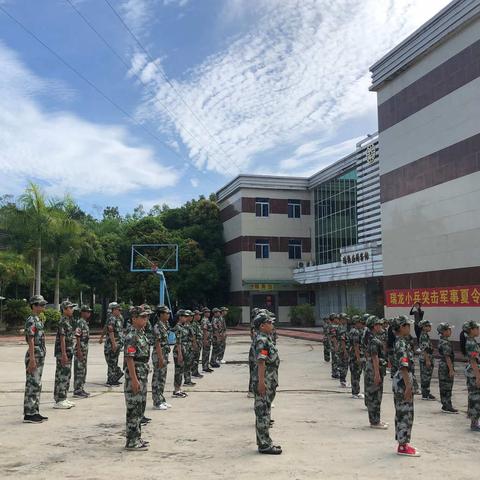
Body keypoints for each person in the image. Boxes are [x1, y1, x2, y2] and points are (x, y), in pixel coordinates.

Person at [252, 312, 281, 454]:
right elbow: (261, 362)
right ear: (262, 326)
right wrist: (261, 382)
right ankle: (264, 444)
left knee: (266, 410)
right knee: (262, 412)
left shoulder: (266, 338)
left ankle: (266, 441)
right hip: (265, 380)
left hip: (270, 379)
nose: (272, 325)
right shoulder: (262, 340)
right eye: (269, 323)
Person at [124, 306, 151, 451]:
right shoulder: (132, 336)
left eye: (146, 317)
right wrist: (134, 379)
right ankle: (131, 441)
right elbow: (129, 358)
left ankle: (137, 437)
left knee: (140, 407)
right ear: (134, 318)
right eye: (142, 317)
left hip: (142, 372)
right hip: (134, 374)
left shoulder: (141, 334)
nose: (145, 319)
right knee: (133, 408)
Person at [392, 315, 419, 457]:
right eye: (408, 325)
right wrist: (408, 386)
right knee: (405, 413)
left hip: (402, 380)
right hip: (403, 381)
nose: (410, 327)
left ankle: (403, 443)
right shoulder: (401, 344)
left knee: (402, 412)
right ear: (402, 327)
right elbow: (403, 366)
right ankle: (402, 446)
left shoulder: (401, 342)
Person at [23, 295, 49, 423]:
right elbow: (31, 340)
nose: (43, 307)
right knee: (32, 384)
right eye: (40, 304)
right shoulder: (31, 320)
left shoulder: (38, 319)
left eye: (43, 304)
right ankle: (29, 413)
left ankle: (35, 411)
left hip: (39, 354)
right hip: (34, 354)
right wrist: (32, 358)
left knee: (37, 383)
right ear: (33, 305)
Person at [53, 300, 77, 409]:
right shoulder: (62, 321)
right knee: (61, 375)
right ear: (64, 309)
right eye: (70, 308)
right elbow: (62, 339)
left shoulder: (68, 321)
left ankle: (64, 397)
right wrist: (63, 354)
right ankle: (59, 399)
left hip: (68, 352)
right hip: (63, 353)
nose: (72, 310)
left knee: (67, 375)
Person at [365, 317, 388, 429]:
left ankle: (376, 419)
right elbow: (375, 357)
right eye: (379, 324)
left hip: (373, 368)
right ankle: (374, 422)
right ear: (374, 326)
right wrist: (377, 374)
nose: (381, 326)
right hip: (374, 369)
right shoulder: (373, 340)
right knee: (375, 396)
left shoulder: (372, 338)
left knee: (376, 396)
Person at [151, 305, 172, 411]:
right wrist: (160, 358)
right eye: (166, 313)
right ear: (161, 315)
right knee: (157, 378)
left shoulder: (165, 324)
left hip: (164, 353)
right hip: (159, 354)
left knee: (162, 378)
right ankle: (156, 401)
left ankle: (161, 399)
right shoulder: (157, 326)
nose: (168, 315)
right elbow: (157, 343)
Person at [436, 322, 458, 414]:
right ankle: (447, 405)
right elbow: (447, 356)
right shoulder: (445, 342)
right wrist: (451, 369)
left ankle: (446, 404)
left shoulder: (442, 341)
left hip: (443, 365)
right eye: (448, 329)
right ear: (443, 331)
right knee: (447, 386)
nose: (450, 331)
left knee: (444, 385)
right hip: (446, 366)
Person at [463, 320, 480, 431]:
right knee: (475, 397)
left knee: (474, 396)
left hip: (473, 372)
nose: (478, 330)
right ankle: (474, 423)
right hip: (474, 373)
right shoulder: (471, 343)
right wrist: (478, 376)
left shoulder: (472, 341)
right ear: (471, 330)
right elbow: (473, 361)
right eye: (476, 328)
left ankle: (475, 421)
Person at [73, 305, 92, 398]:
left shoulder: (85, 322)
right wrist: (79, 350)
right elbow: (78, 336)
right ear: (82, 312)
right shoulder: (80, 322)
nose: (89, 313)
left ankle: (81, 388)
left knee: (83, 369)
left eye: (89, 312)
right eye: (87, 312)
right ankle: (77, 390)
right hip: (80, 349)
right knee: (79, 369)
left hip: (84, 349)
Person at [104, 302, 124, 387]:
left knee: (114, 362)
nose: (120, 311)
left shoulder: (118, 318)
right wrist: (113, 344)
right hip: (112, 344)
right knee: (112, 362)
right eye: (118, 310)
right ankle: (110, 380)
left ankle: (114, 378)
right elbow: (110, 331)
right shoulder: (112, 318)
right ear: (114, 310)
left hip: (117, 344)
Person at [417, 319, 435, 401]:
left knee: (427, 376)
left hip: (428, 357)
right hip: (425, 358)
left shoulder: (425, 335)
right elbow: (424, 349)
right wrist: (427, 360)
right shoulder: (423, 336)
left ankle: (426, 392)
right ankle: (425, 394)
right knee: (425, 376)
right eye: (428, 326)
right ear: (423, 327)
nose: (430, 327)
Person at [172, 309, 188, 398]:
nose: (186, 318)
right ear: (180, 317)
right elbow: (178, 342)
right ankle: (176, 390)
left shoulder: (182, 326)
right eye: (184, 316)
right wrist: (180, 354)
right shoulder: (178, 327)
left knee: (181, 370)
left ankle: (179, 388)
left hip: (182, 350)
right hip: (179, 351)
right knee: (178, 371)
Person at [349, 315, 364, 399]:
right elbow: (356, 345)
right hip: (355, 356)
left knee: (355, 374)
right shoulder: (355, 332)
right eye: (359, 322)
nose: (360, 324)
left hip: (353, 355)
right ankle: (355, 392)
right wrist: (358, 357)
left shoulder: (353, 330)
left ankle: (355, 391)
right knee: (356, 374)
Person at [183, 310, 196, 387]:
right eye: (189, 316)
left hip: (189, 346)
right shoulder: (184, 326)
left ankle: (188, 379)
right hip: (186, 347)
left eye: (191, 316)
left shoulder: (189, 325)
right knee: (187, 364)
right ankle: (187, 380)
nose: (191, 317)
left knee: (190, 363)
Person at [191, 310, 204, 378]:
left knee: (197, 359)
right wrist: (195, 344)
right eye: (198, 315)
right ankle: (194, 372)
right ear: (195, 316)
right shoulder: (193, 324)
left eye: (200, 315)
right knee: (195, 359)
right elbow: (193, 336)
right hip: (196, 345)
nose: (199, 316)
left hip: (199, 344)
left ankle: (195, 372)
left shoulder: (197, 324)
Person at [201, 307, 214, 373]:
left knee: (207, 352)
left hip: (209, 339)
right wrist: (205, 340)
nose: (208, 313)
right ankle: (205, 367)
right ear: (204, 313)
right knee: (205, 353)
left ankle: (206, 366)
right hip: (206, 339)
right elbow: (204, 330)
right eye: (207, 312)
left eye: (209, 312)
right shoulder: (204, 320)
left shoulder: (207, 319)